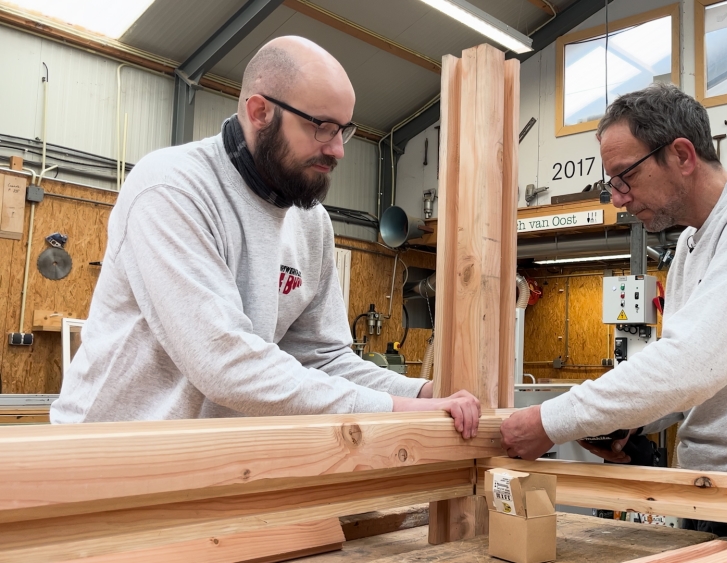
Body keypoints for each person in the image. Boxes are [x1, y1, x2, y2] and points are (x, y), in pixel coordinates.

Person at [51, 36, 480, 438]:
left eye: (344, 129)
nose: (338, 149)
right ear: (260, 112)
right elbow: (222, 361)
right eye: (323, 126)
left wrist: (420, 394)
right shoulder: (173, 188)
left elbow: (324, 359)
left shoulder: (311, 222)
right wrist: (394, 410)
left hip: (214, 466)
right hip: (106, 456)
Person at [500, 84, 727, 538]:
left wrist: (549, 422)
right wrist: (631, 422)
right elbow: (692, 371)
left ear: (682, 156)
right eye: (612, 184)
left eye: (624, 177)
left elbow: (695, 365)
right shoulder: (691, 242)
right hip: (714, 493)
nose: (618, 198)